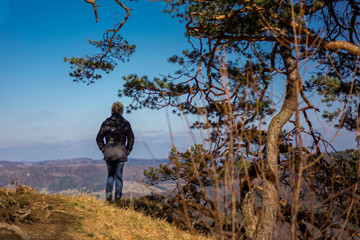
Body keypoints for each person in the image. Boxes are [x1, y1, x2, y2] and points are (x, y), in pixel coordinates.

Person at [96, 102, 135, 203]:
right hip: (121, 152)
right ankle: (118, 197)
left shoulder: (106, 123)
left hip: (109, 152)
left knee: (110, 174)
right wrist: (128, 150)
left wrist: (104, 149)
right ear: (122, 111)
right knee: (118, 175)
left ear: (112, 110)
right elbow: (131, 138)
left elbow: (99, 138)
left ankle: (108, 196)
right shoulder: (126, 123)